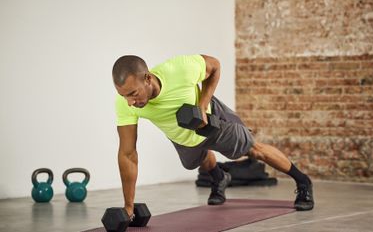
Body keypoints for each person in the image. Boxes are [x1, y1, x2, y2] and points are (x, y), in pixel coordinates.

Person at [112, 54, 314, 219]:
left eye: (133, 93)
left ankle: (303, 182)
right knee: (195, 161)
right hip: (183, 138)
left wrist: (201, 105)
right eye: (124, 96)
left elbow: (215, 65)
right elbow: (128, 153)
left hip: (211, 121)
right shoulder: (125, 104)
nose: (129, 102)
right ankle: (220, 177)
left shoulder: (180, 69)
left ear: (147, 78)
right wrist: (128, 207)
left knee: (253, 149)